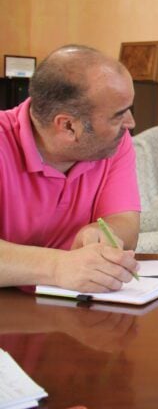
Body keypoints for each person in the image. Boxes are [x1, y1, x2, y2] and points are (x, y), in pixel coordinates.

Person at [0, 45, 140, 292]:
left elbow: (125, 220)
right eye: (118, 115)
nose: (131, 123)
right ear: (67, 126)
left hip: (72, 313)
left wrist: (101, 232)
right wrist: (58, 267)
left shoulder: (115, 143)